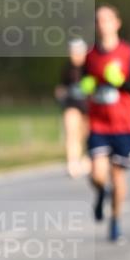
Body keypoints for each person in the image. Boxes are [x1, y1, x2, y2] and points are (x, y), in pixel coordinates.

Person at [80, 5, 130, 243]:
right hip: (99, 123)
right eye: (98, 20)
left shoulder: (128, 53)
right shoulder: (91, 55)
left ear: (117, 23)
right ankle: (100, 192)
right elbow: (86, 79)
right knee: (97, 174)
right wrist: (86, 86)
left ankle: (115, 222)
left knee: (118, 177)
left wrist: (121, 82)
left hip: (124, 124)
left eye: (107, 20)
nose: (102, 24)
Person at [55, 38, 91, 177]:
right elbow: (62, 86)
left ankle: (86, 158)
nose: (74, 55)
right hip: (71, 104)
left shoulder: (89, 67)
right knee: (71, 133)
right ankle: (72, 163)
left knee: (85, 134)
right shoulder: (67, 68)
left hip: (87, 106)